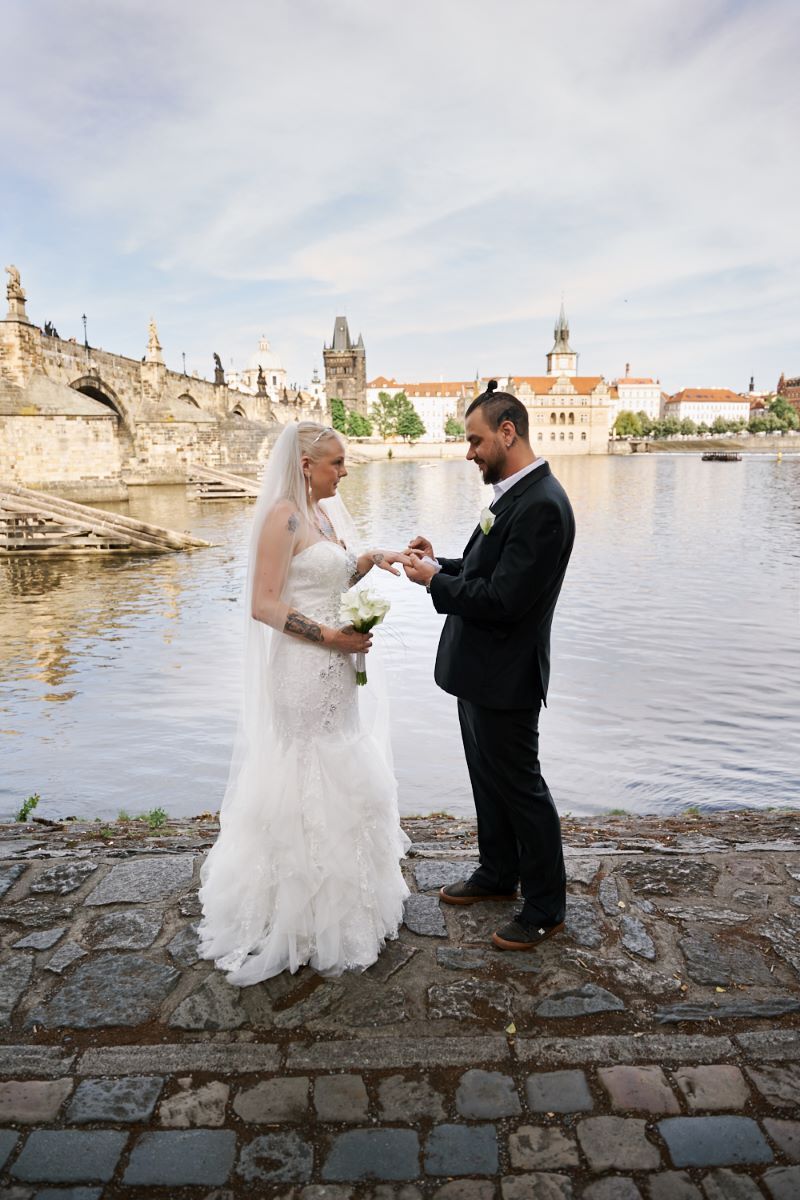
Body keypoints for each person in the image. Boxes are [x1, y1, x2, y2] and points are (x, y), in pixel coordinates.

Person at [198, 422, 412, 984]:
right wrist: (333, 639)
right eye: (336, 462)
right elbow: (265, 605)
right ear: (306, 465)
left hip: (335, 672)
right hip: (301, 670)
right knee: (305, 771)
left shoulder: (319, 516)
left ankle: (345, 902)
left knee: (338, 766)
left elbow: (330, 572)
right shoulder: (282, 518)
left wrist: (372, 557)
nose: (344, 470)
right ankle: (295, 912)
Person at [404, 382, 575, 951]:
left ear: (508, 432)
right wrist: (440, 564)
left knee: (521, 788)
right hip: (479, 671)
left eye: (475, 440)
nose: (469, 451)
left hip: (506, 674)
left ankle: (547, 906)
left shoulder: (544, 505)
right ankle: (498, 874)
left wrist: (436, 583)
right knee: (487, 779)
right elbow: (487, 569)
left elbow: (504, 600)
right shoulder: (513, 496)